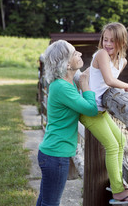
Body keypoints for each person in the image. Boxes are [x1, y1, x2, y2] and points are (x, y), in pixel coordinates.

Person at [76, 22, 128, 204]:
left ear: (122, 42)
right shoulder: (101, 54)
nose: (108, 44)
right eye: (105, 39)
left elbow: (96, 78)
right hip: (89, 110)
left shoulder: (122, 61)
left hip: (100, 111)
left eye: (113, 40)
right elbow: (109, 80)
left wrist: (86, 77)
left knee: (121, 139)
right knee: (111, 145)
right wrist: (126, 85)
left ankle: (115, 181)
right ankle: (118, 191)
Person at [36, 40, 98, 206]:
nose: (79, 54)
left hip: (51, 153)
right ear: (66, 63)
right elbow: (92, 109)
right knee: (50, 203)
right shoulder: (62, 87)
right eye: (74, 53)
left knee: (44, 200)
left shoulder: (65, 84)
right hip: (56, 157)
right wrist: (85, 85)